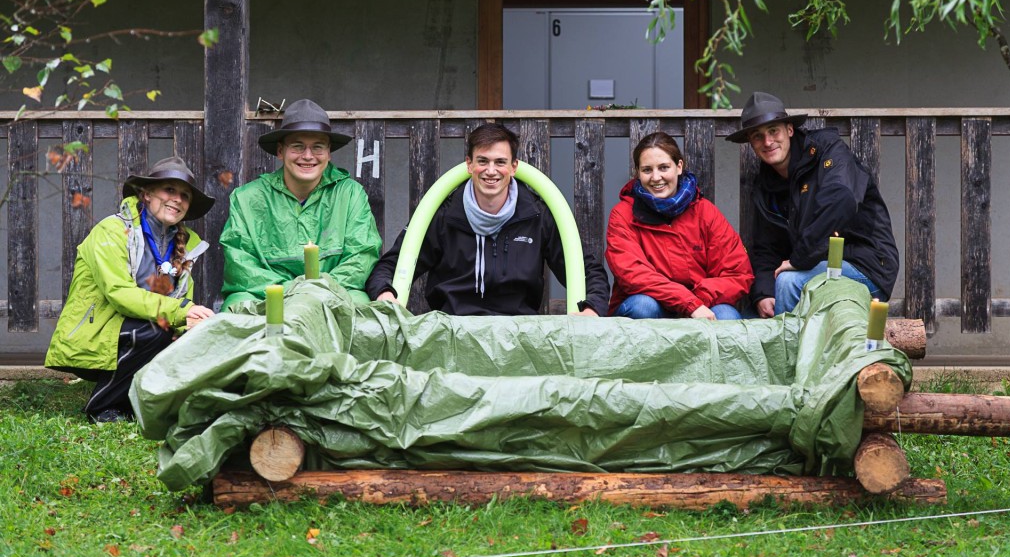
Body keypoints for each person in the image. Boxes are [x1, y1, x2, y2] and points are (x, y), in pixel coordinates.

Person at [366, 122, 610, 316]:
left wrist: (591, 309)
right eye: (482, 161)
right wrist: (386, 295)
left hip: (519, 333)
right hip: (452, 330)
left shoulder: (538, 215)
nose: (491, 171)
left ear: (514, 167)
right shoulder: (442, 214)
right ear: (469, 165)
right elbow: (389, 266)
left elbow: (589, 271)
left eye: (500, 162)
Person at [45, 157, 216, 422]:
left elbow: (182, 299)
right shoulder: (111, 231)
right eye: (169, 190)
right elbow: (120, 294)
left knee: (182, 334)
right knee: (158, 328)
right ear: (146, 194)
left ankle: (144, 403)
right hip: (97, 331)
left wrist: (189, 324)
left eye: (185, 195)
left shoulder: (188, 243)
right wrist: (182, 312)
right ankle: (102, 407)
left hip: (147, 330)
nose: (177, 199)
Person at [727, 91, 899, 317]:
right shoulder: (765, 186)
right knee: (750, 317)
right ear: (751, 143)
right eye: (757, 136)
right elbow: (766, 248)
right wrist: (764, 293)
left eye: (773, 131)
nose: (767, 142)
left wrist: (799, 259)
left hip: (866, 265)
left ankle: (791, 353)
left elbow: (842, 201)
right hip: (811, 268)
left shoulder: (828, 151)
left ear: (789, 130)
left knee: (789, 282)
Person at [220, 98, 381, 310]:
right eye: (297, 146)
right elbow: (239, 264)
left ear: (328, 152)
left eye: (317, 147)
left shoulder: (350, 194)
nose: (307, 156)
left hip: (335, 293)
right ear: (280, 151)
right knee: (236, 311)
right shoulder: (247, 198)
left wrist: (319, 290)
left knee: (365, 316)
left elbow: (362, 256)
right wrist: (289, 291)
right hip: (264, 293)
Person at [605, 132, 753, 320]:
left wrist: (695, 302)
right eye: (647, 170)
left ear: (679, 166)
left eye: (664, 167)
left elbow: (736, 272)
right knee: (643, 306)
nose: (656, 177)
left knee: (726, 316)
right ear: (638, 173)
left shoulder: (705, 212)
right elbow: (633, 274)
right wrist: (687, 304)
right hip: (650, 304)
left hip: (701, 304)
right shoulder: (622, 215)